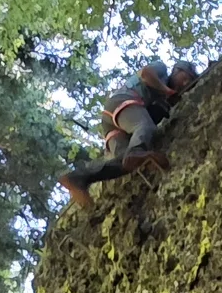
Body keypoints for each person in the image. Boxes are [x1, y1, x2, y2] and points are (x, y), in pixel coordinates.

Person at [58, 57, 200, 208]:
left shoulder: (163, 99)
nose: (185, 84)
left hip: (112, 124)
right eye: (185, 78)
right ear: (177, 70)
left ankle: (78, 178)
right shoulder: (161, 69)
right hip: (123, 101)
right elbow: (146, 74)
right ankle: (137, 150)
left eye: (188, 83)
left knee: (125, 163)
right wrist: (167, 91)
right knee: (145, 126)